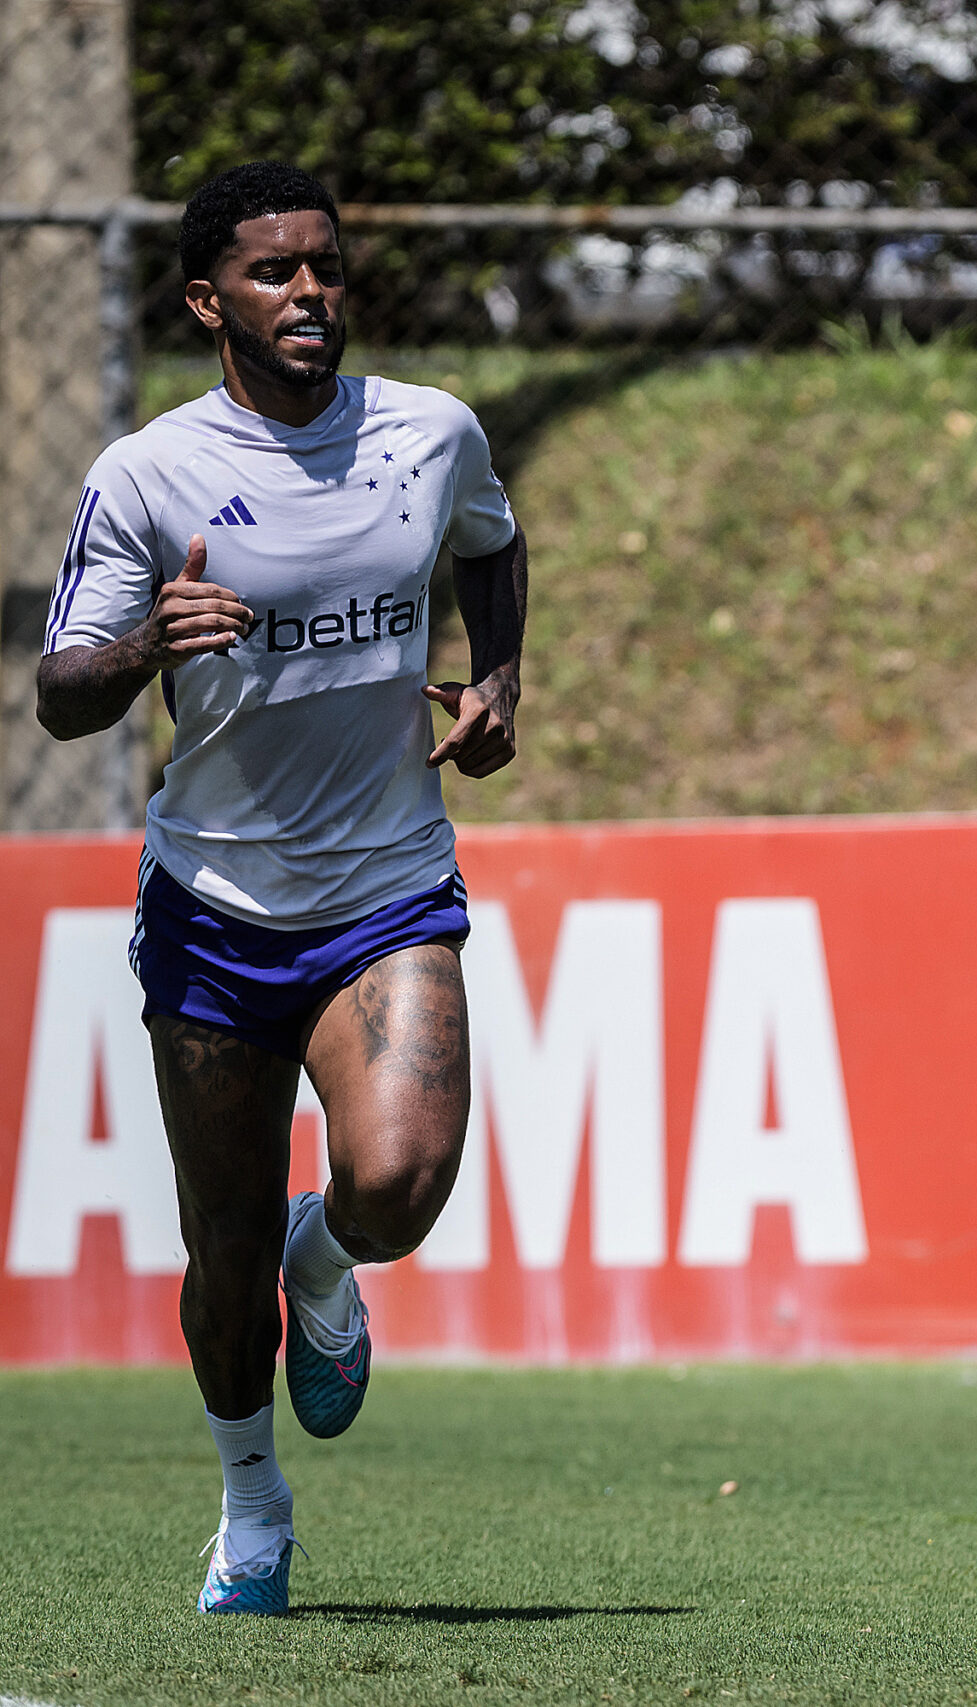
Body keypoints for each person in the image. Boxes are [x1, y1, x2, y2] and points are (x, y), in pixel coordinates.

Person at [36, 162, 527, 1616]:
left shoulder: (430, 433)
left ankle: (336, 1262)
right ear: (210, 302)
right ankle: (253, 1503)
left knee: (398, 1182)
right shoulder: (148, 474)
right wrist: (146, 649)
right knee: (221, 1244)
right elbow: (62, 691)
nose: (308, 290)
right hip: (216, 907)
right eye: (272, 272)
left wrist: (499, 679)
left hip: (386, 883)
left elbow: (493, 546)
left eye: (323, 265)